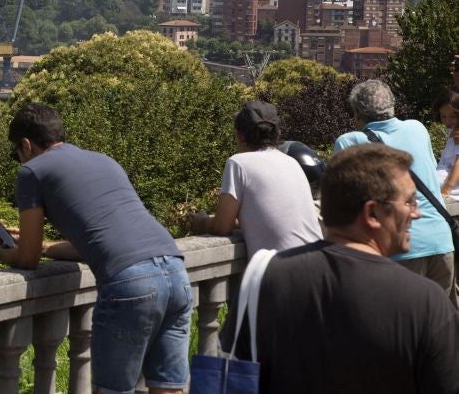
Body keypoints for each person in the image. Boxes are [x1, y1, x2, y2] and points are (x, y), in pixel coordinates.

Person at [0, 103, 191, 394]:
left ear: (26, 145)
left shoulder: (32, 171)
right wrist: (45, 246)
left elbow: (26, 260)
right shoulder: (104, 160)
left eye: (16, 152)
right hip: (175, 271)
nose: (19, 159)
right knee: (168, 388)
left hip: (130, 284)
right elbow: (95, 243)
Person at [225, 143, 459, 393]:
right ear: (372, 214)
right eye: (410, 202)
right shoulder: (425, 301)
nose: (417, 213)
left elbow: (230, 375)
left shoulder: (263, 279)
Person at [334, 79, 456, 304]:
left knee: (403, 332)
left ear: (357, 112)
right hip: (440, 244)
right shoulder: (417, 129)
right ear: (391, 106)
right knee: (444, 331)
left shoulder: (350, 142)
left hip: (399, 249)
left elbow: (342, 202)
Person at [189, 101, 323, 258]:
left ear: (239, 134)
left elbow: (222, 227)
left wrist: (202, 222)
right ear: (277, 134)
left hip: (285, 268)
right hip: (320, 261)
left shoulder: (238, 163)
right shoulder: (291, 162)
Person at [433, 86, 459, 197]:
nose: (447, 121)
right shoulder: (453, 131)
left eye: (453, 116)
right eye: (443, 116)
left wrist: (446, 190)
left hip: (451, 193)